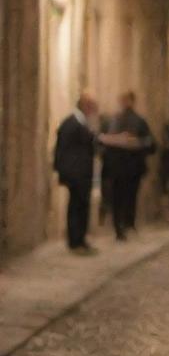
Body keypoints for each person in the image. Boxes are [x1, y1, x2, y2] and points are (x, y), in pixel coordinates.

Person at [98, 91, 155, 240]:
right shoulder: (113, 120)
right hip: (116, 168)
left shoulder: (139, 121)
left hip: (133, 168)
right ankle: (119, 228)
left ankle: (129, 223)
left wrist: (137, 143)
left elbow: (150, 143)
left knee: (131, 197)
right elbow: (102, 141)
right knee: (117, 198)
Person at [53, 92, 99, 255]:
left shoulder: (80, 122)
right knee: (76, 206)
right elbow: (64, 150)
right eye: (92, 106)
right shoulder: (72, 123)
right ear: (85, 105)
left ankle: (81, 240)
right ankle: (75, 242)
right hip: (76, 174)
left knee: (81, 206)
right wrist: (64, 171)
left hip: (81, 173)